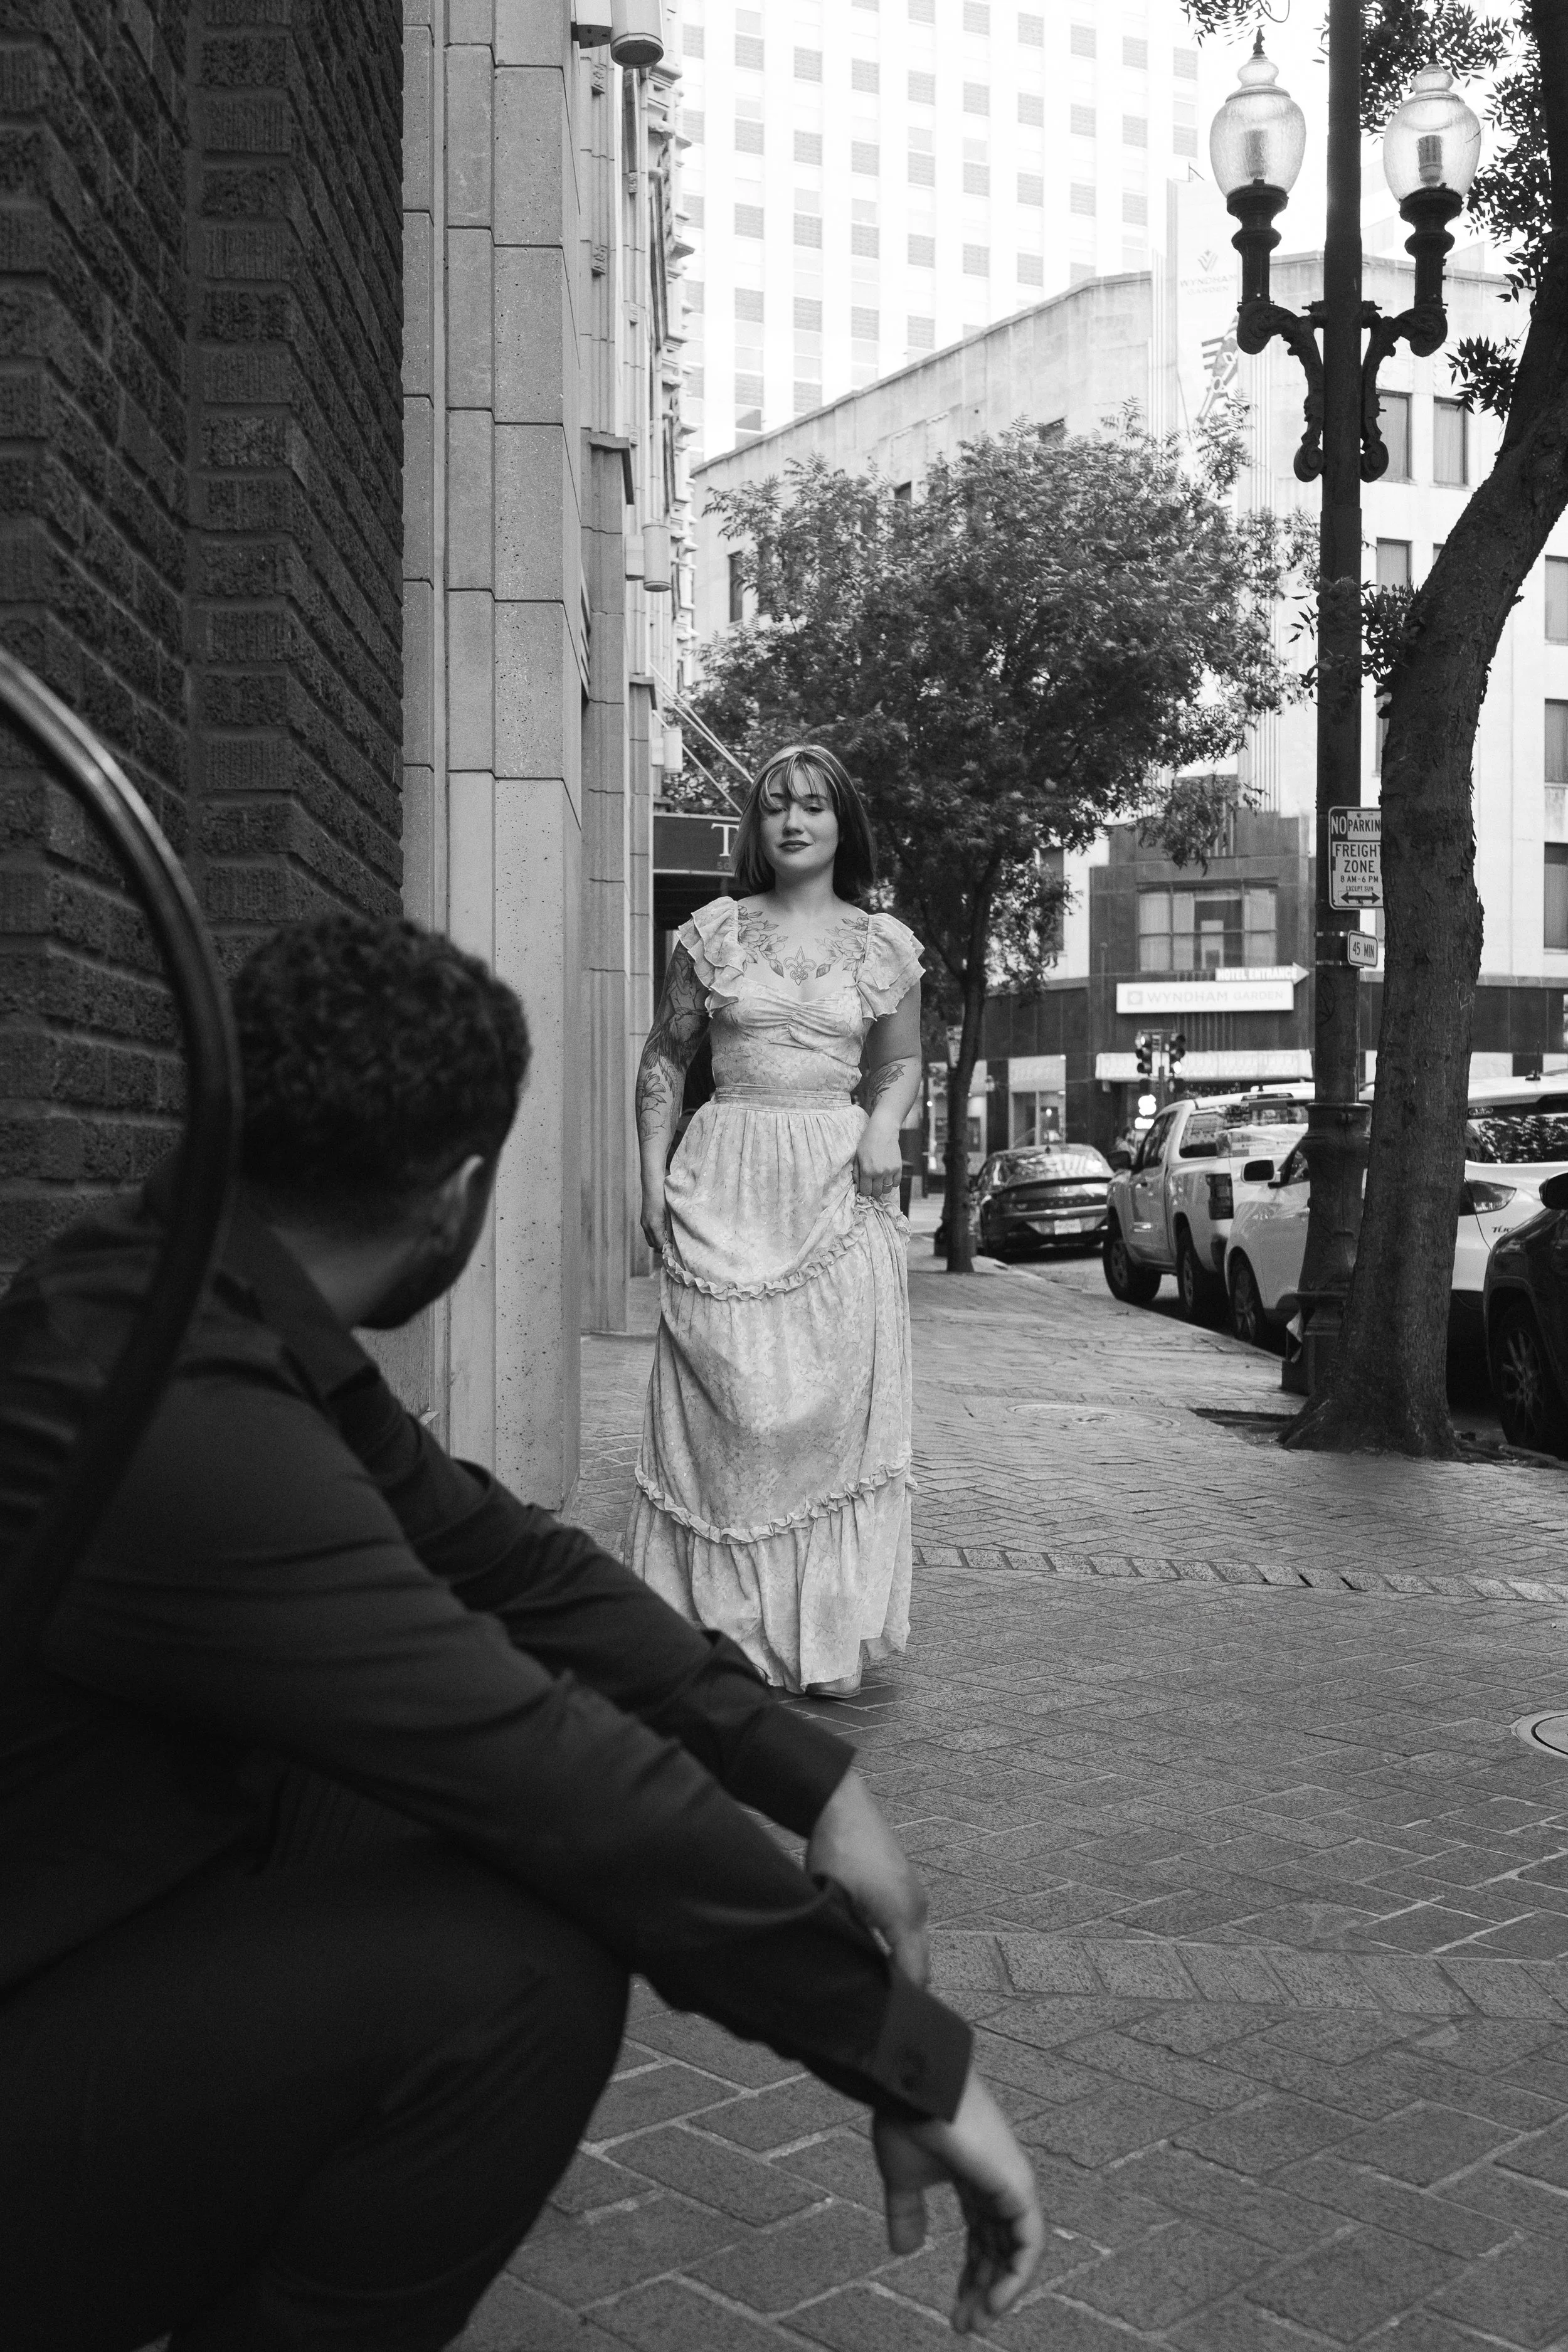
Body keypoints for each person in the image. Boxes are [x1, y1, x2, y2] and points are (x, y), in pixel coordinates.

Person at [0, 913, 1041, 2352]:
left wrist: (810, 1773)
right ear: (462, 1196)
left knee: (428, 1835)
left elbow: (507, 1559)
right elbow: (548, 1767)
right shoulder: (181, 1408)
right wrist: (914, 2059)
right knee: (524, 1959)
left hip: (84, 1912)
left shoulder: (183, 1288)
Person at [628, 746, 924, 1699]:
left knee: (824, 1414)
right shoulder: (711, 934)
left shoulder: (884, 946)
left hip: (834, 1191)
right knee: (736, 1411)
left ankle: (821, 1637)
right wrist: (648, 1179)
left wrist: (882, 1125)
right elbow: (665, 1064)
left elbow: (899, 1066)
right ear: (756, 830)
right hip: (726, 1183)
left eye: (813, 805)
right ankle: (718, 1627)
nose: (793, 821)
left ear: (844, 824)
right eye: (773, 807)